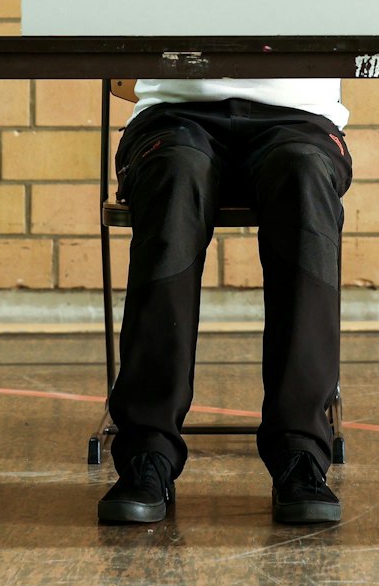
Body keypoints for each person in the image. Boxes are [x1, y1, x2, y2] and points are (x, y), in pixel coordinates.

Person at [95, 76, 352, 526]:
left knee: (303, 174)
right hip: (175, 113)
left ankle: (301, 452)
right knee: (174, 177)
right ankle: (147, 452)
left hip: (299, 118)